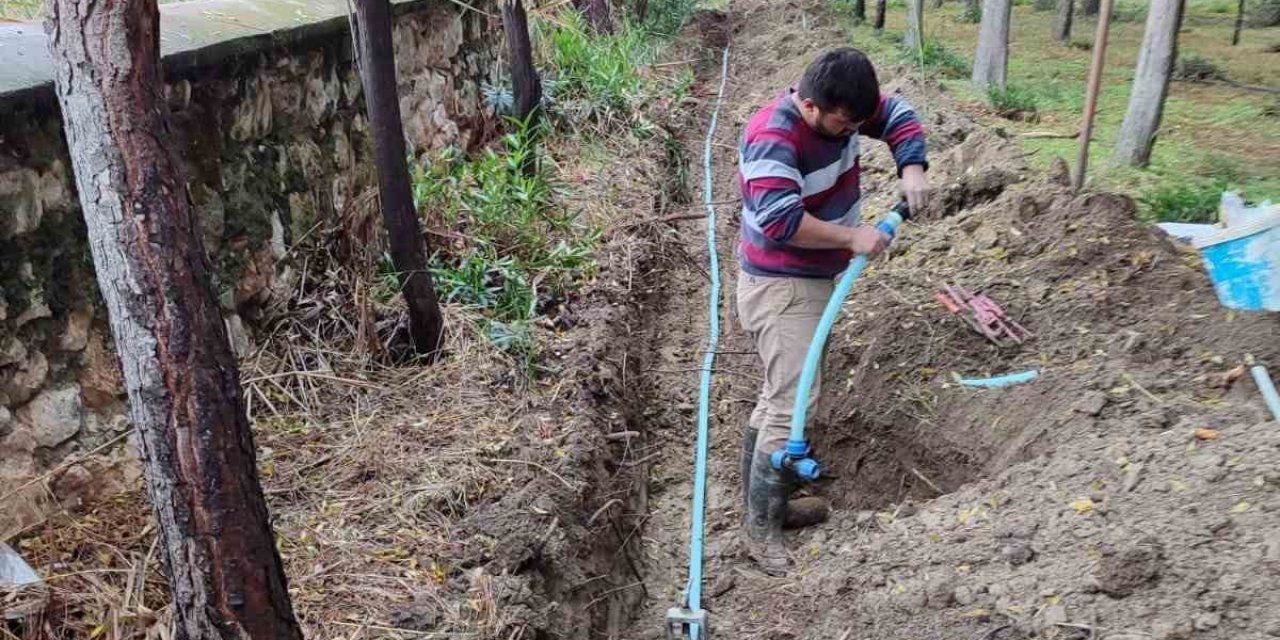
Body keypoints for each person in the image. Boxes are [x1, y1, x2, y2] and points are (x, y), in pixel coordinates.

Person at [735, 47, 929, 575]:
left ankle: (767, 502)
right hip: (781, 286)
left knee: (781, 392)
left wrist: (911, 168)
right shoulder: (772, 138)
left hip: (810, 279)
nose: (853, 133)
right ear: (813, 105)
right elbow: (780, 221)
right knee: (791, 400)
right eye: (845, 124)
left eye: (859, 125)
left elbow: (898, 114)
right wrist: (853, 237)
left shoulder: (847, 111)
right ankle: (760, 528)